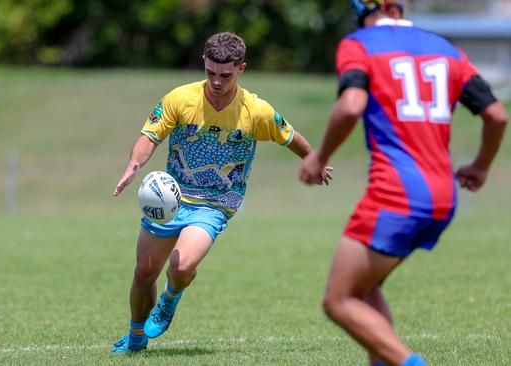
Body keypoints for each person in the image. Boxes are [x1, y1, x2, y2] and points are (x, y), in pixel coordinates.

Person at [299, 1, 507, 366]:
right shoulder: (445, 48)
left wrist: (319, 157)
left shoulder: (359, 44)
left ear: (361, 9)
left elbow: (350, 106)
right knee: (365, 290)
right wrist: (481, 166)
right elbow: (496, 115)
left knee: (339, 300)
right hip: (444, 195)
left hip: (396, 194)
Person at [111, 32, 333, 353]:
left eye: (225, 75)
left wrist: (316, 161)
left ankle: (169, 301)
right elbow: (149, 136)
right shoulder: (180, 99)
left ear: (241, 68)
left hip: (216, 203)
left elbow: (290, 135)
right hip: (171, 198)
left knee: (182, 267)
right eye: (211, 72)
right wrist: (134, 164)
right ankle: (135, 338)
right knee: (144, 273)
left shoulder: (255, 111)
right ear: (204, 62)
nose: (216, 81)